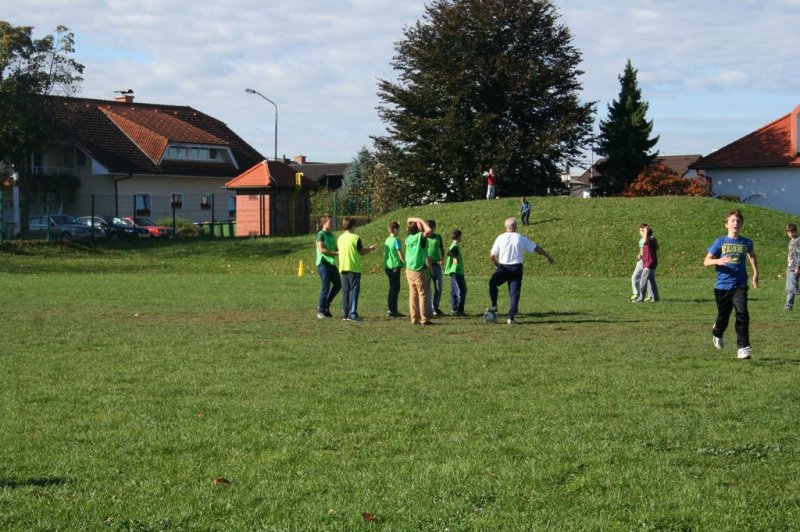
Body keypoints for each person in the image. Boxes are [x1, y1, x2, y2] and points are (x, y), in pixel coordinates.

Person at [703, 209, 759, 360]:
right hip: (722, 287)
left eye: (738, 221)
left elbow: (752, 256)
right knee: (724, 316)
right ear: (726, 224)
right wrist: (717, 261)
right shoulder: (720, 242)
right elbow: (706, 261)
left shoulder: (746, 242)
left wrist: (755, 273)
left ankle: (743, 348)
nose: (736, 223)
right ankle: (717, 332)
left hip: (740, 285)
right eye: (732, 221)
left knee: (743, 314)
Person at [487, 217, 555, 325]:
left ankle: (494, 305)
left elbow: (492, 255)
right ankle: (511, 318)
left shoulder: (500, 237)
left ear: (505, 227)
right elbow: (536, 248)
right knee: (514, 293)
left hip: (504, 267)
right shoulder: (520, 238)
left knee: (492, 284)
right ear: (516, 227)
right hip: (516, 268)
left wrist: (497, 265)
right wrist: (548, 256)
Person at [337, 217, 376, 322]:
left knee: (346, 291)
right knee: (354, 291)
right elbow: (361, 252)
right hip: (353, 268)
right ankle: (352, 314)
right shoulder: (355, 238)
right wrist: (370, 249)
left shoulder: (340, 238)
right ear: (353, 226)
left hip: (343, 267)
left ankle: (345, 314)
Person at [405, 217, 434, 325]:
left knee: (413, 294)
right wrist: (421, 220)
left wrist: (415, 221)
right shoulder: (419, 237)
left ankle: (414, 318)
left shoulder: (408, 238)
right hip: (418, 270)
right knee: (422, 294)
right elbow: (429, 231)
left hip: (409, 269)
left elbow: (408, 221)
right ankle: (424, 318)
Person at [315, 214, 340, 319]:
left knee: (338, 285)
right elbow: (322, 250)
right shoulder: (320, 234)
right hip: (323, 264)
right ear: (324, 223)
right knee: (326, 285)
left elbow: (337, 247)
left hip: (331, 263)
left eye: (332, 221)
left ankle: (326, 306)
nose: (332, 223)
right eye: (330, 222)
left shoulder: (332, 235)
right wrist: (336, 254)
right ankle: (320, 310)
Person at [424, 219, 445, 317]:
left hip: (436, 266)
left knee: (439, 288)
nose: (429, 231)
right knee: (427, 288)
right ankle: (428, 309)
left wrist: (442, 259)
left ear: (434, 228)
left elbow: (442, 249)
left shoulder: (438, 237)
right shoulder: (423, 238)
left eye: (431, 229)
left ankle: (435, 307)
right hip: (427, 266)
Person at [384, 220, 405, 317]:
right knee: (395, 289)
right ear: (395, 230)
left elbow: (385, 253)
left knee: (392, 288)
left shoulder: (387, 240)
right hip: (395, 266)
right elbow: (399, 252)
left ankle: (391, 309)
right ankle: (393, 310)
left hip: (388, 266)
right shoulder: (396, 240)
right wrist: (405, 262)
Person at [633, 224, 659, 302]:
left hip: (648, 264)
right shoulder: (653, 239)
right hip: (652, 263)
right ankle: (655, 298)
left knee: (643, 282)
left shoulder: (649, 241)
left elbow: (644, 240)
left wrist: (645, 231)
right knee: (652, 281)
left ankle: (641, 298)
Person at [445, 229, 467, 315]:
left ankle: (454, 309)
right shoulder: (455, 246)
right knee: (461, 290)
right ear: (458, 236)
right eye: (461, 236)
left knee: (454, 290)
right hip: (456, 271)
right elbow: (450, 253)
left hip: (455, 271)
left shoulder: (454, 245)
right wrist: (456, 258)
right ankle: (459, 309)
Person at [784, 223, 800, 311]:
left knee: (794, 287)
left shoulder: (798, 240)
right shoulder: (791, 241)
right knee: (789, 287)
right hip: (790, 266)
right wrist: (788, 257)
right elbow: (791, 252)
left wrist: (798, 267)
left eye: (792, 232)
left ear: (796, 231)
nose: (791, 234)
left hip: (796, 266)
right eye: (789, 232)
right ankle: (788, 305)